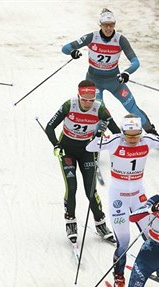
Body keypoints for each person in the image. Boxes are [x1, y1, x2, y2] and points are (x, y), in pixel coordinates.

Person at [85, 115, 159, 287]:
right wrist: (98, 133)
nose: (133, 139)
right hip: (118, 197)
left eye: (136, 135)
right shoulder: (114, 141)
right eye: (129, 135)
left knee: (151, 237)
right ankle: (119, 279)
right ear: (122, 132)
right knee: (124, 242)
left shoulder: (147, 140)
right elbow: (90, 147)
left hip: (138, 196)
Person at [44, 80, 121, 244]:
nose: (87, 103)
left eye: (91, 100)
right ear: (78, 96)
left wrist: (104, 135)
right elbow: (49, 127)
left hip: (88, 151)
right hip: (67, 150)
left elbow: (116, 132)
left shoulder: (99, 108)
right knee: (71, 187)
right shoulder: (69, 105)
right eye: (84, 99)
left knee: (90, 190)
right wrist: (56, 146)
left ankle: (100, 224)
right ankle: (70, 222)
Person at [61, 8, 158, 135]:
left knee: (132, 108)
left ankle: (152, 133)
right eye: (105, 25)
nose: (108, 29)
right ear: (100, 25)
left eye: (111, 25)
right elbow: (65, 48)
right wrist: (73, 51)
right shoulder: (91, 37)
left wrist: (126, 73)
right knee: (99, 112)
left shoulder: (120, 39)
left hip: (115, 81)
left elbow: (135, 62)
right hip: (94, 82)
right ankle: (97, 139)